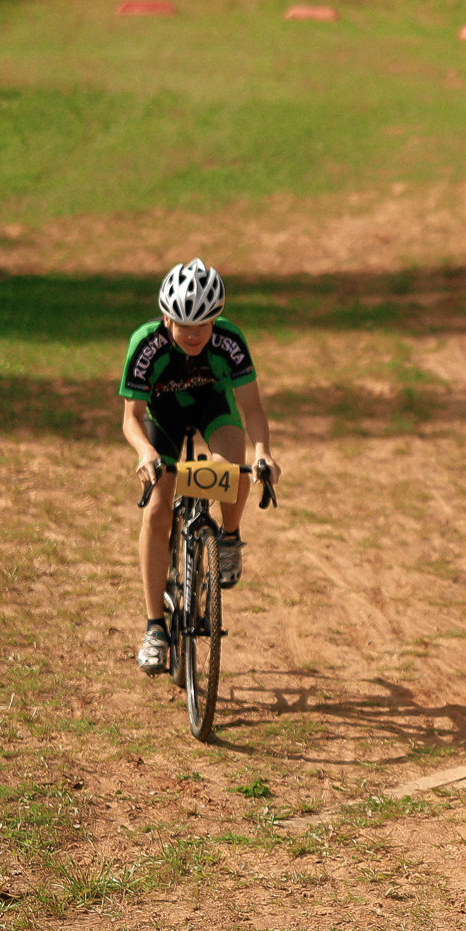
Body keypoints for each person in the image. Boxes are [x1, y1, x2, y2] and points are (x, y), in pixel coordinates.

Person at [119, 259, 277, 675]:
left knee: (234, 468)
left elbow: (252, 408)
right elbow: (130, 419)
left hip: (213, 409)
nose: (193, 335)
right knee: (157, 509)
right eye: (183, 325)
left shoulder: (230, 342)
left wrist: (263, 451)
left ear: (216, 320)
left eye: (203, 325)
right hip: (161, 420)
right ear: (166, 317)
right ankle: (155, 627)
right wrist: (144, 453)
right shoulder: (146, 344)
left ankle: (227, 538)